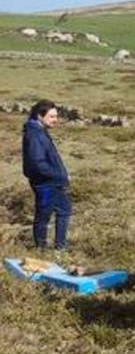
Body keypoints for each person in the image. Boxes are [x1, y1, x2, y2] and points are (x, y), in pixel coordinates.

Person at [22, 100, 71, 252]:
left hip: (53, 183)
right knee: (43, 217)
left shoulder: (40, 130)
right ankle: (41, 250)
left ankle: (60, 249)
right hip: (45, 184)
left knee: (64, 211)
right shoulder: (35, 135)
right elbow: (38, 164)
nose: (55, 120)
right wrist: (58, 175)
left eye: (56, 116)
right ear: (39, 116)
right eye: (51, 116)